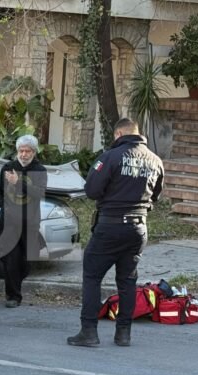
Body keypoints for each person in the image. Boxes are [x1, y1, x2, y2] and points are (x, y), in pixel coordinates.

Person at [67, 118, 164, 347]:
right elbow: (156, 195)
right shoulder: (155, 160)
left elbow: (92, 190)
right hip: (138, 229)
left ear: (119, 134)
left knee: (92, 276)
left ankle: (89, 332)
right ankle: (123, 334)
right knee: (127, 280)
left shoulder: (110, 157)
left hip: (110, 226)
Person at [0, 135, 48, 308]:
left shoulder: (39, 170)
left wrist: (18, 182)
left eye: (27, 151)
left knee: (26, 261)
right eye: (21, 151)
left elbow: (39, 193)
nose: (24, 154)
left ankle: (16, 282)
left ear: (34, 152)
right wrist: (4, 206)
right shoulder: (8, 168)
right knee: (10, 259)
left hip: (29, 223)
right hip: (9, 223)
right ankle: (13, 296)